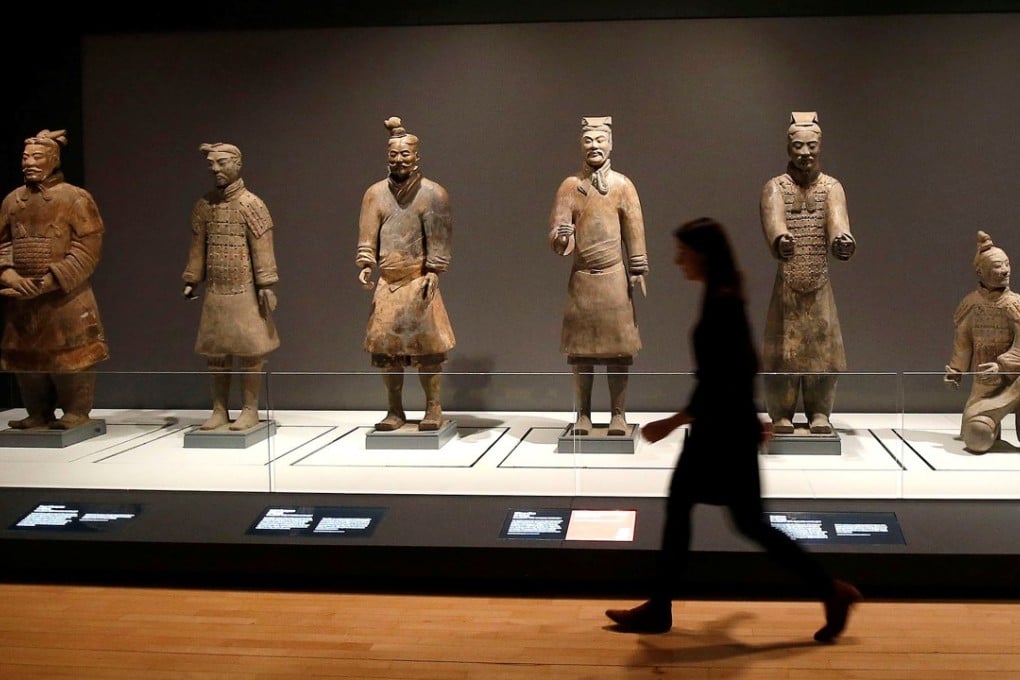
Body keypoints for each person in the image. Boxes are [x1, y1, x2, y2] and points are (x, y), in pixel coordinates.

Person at [605, 217, 860, 643]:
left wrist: (673, 421)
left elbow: (726, 375)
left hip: (720, 433)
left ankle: (831, 590)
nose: (677, 260)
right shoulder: (721, 295)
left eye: (684, 251)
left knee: (741, 522)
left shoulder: (722, 300)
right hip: (726, 428)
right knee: (711, 515)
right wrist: (750, 413)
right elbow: (741, 368)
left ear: (703, 254)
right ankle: (661, 606)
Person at [0, 129, 109, 430]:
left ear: (53, 160)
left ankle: (76, 411)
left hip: (65, 296)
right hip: (21, 296)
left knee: (70, 356)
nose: (29, 163)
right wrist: (8, 274)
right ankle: (37, 412)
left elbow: (88, 247)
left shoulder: (75, 198)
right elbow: (3, 244)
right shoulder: (12, 201)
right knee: (27, 359)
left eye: (37, 157)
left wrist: (50, 281)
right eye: (25, 157)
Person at [549, 116, 648, 436]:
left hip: (614, 278)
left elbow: (634, 228)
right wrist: (563, 237)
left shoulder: (622, 185)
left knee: (619, 350)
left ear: (611, 144)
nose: (594, 146)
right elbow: (558, 237)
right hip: (582, 279)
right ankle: (583, 415)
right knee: (581, 352)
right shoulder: (569, 186)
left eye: (600, 140)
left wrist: (637, 267)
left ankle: (618, 415)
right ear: (581, 145)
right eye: (589, 140)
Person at [356, 117, 455, 432]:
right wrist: (366, 263)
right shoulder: (374, 194)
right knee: (388, 351)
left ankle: (433, 408)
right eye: (393, 155)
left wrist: (434, 271)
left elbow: (438, 238)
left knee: (428, 350)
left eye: (405, 155)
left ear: (416, 157)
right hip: (388, 283)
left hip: (419, 280)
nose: (399, 160)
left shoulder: (433, 194)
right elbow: (367, 235)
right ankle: (394, 410)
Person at [760, 112, 855, 435]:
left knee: (822, 352)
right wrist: (780, 239)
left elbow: (838, 221)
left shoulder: (832, 188)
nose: (805, 152)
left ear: (820, 147)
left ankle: (819, 413)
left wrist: (842, 241)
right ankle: (782, 414)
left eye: (811, 145)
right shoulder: (775, 187)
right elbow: (773, 221)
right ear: (788, 147)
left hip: (819, 282)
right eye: (798, 146)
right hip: (787, 283)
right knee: (783, 354)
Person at [182, 142, 280, 431]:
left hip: (245, 291)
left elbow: (263, 247)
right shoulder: (205, 205)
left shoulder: (252, 204)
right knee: (217, 353)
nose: (216, 169)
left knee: (250, 352)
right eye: (211, 164)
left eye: (221, 163)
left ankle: (250, 410)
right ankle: (219, 410)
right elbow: (198, 246)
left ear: (237, 164)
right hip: (216, 290)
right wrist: (191, 278)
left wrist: (266, 284)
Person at [944, 230, 1020, 453]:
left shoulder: (1015, 305)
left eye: (1007, 264)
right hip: (985, 383)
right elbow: (964, 342)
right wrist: (956, 370)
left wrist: (1002, 365)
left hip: (1015, 379)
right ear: (980, 271)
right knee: (978, 437)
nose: (1005, 270)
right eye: (998, 265)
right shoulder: (971, 304)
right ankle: (985, 421)